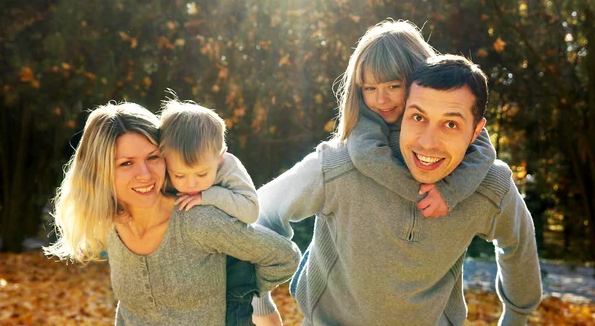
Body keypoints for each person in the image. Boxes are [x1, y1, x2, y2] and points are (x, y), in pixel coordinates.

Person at [252, 22, 541, 325]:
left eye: (393, 86)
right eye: (370, 88)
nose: (381, 100)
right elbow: (260, 212)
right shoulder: (338, 165)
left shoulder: (486, 182)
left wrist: (517, 316)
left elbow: (518, 244)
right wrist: (259, 302)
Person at [44, 102, 300, 326]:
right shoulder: (111, 222)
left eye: (153, 157)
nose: (145, 174)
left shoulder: (198, 219)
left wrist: (237, 293)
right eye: (126, 163)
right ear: (100, 171)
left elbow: (283, 257)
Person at [159, 98, 259, 326]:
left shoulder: (229, 167)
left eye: (202, 175)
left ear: (220, 157)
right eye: (180, 176)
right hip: (196, 264)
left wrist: (207, 196)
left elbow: (251, 210)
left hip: (236, 263)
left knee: (236, 318)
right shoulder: (166, 169)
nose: (191, 184)